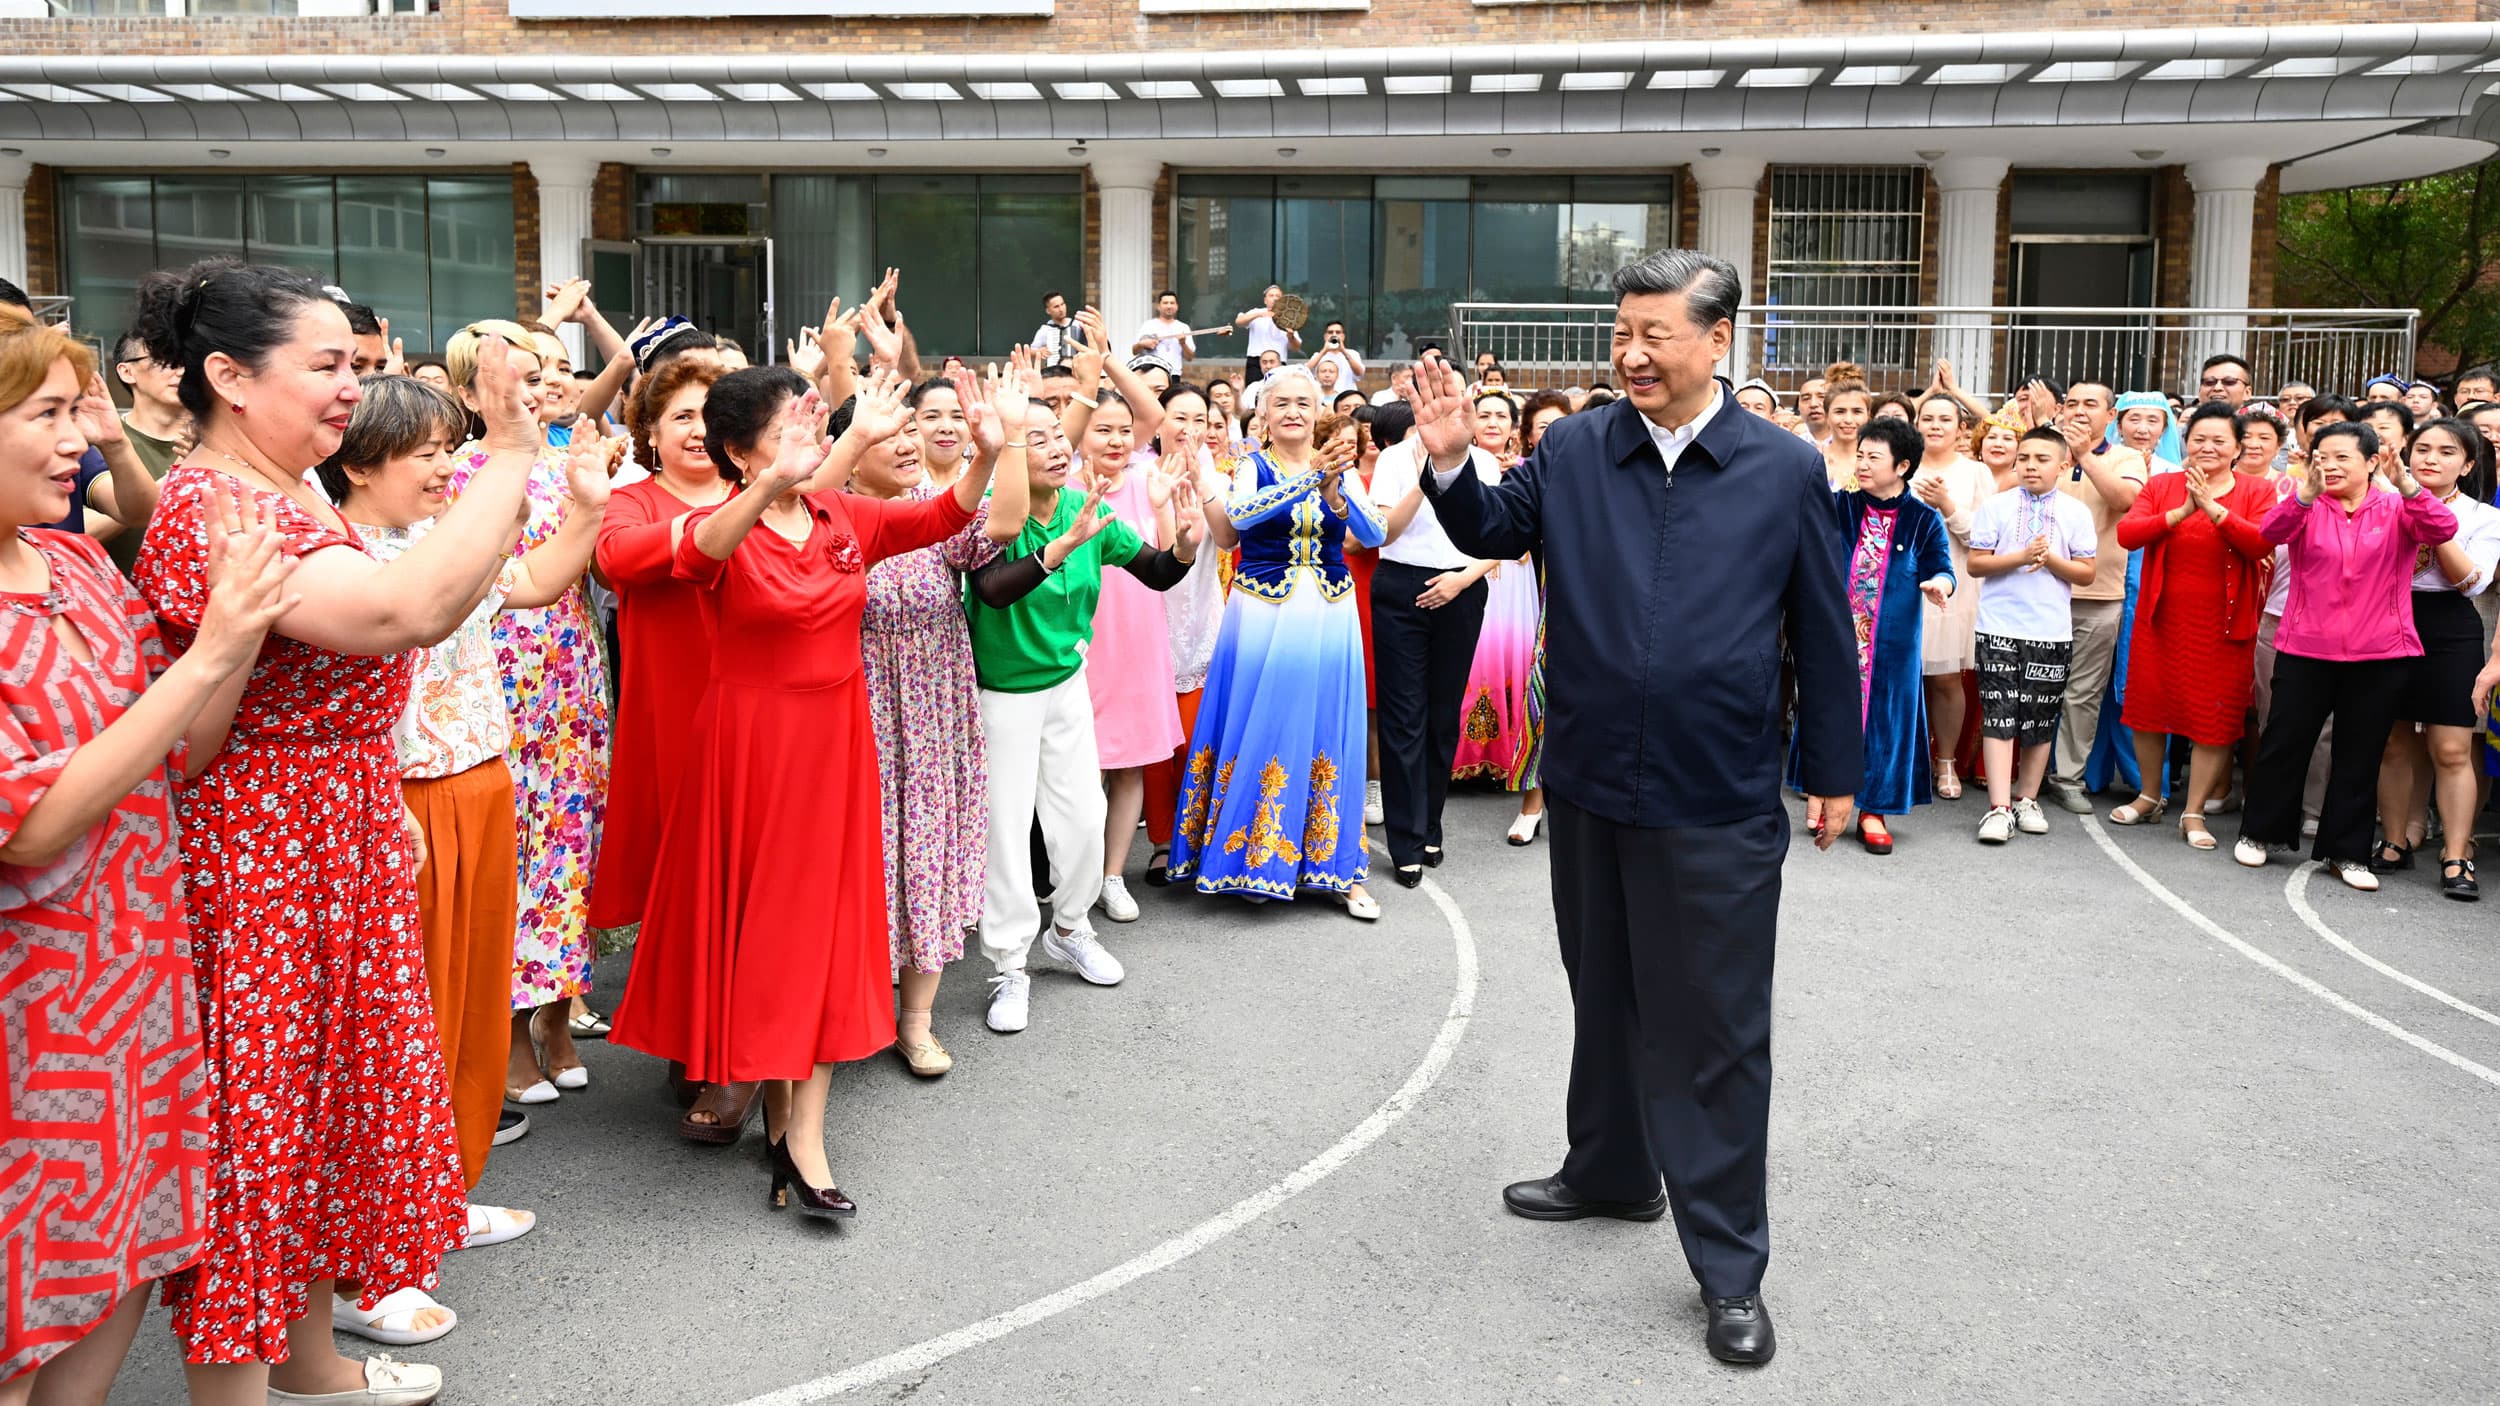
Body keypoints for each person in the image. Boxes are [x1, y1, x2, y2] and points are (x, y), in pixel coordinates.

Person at [1414, 250, 1858, 1368]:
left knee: (1714, 1029)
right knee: (1602, 987)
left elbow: (1821, 627)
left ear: (1717, 342)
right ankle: (1610, 1170)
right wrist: (1453, 457)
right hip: (1591, 781)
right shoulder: (1574, 447)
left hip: (1717, 795)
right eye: (1624, 330)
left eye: (1656, 333)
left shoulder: (1782, 468)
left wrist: (1835, 772)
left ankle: (1729, 1265)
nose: (1632, 352)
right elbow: (1484, 530)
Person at [131, 259, 543, 1404]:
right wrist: (508, 455)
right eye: (327, 368)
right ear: (226, 375)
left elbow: (444, 600)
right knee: (261, 1133)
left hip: (337, 829)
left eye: (356, 368)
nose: (351, 395)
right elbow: (403, 610)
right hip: (261, 850)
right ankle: (238, 1390)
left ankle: (308, 1363)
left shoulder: (290, 484)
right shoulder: (217, 503)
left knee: (320, 1114)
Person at [611, 367, 993, 1221]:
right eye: (791, 426)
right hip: (750, 752)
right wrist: (769, 486)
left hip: (838, 748)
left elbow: (943, 515)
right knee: (768, 936)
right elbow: (692, 553)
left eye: (812, 422)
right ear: (741, 453)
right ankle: (773, 1113)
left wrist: (989, 449)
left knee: (824, 937)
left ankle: (802, 1134)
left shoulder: (839, 515)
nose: (811, 435)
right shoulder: (719, 524)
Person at [0, 306, 292, 1403]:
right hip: (29, 1024)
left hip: (137, 993)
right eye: (49, 413)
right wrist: (209, 648)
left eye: (81, 406)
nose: (86, 435)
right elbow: (30, 824)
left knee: (124, 1251)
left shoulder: (76, 562)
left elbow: (185, 748)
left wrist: (237, 630)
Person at [321, 374, 607, 1341]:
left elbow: (529, 584)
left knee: (474, 1010)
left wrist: (588, 511)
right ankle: (372, 1264)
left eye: (453, 448)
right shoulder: (343, 554)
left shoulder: (440, 545)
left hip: (485, 784)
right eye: (429, 453)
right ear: (358, 464)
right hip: (405, 802)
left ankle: (436, 1201)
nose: (450, 468)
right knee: (405, 1031)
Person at [962, 400, 1198, 1037]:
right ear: (1012, 450)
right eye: (1034, 437)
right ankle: (1010, 964)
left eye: (1056, 435)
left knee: (1084, 819)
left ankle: (1070, 928)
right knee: (1008, 832)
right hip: (1002, 694)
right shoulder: (994, 513)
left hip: (1067, 685)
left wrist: (1185, 542)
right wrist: (1061, 549)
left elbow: (1152, 570)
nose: (1056, 447)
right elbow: (991, 589)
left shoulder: (1084, 505)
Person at [442, 321, 612, 1109]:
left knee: (569, 852)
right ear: (472, 388)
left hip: (570, 683)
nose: (539, 385)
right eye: (519, 373)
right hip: (494, 687)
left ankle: (556, 1015)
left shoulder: (567, 464)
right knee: (511, 855)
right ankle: (505, 1036)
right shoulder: (454, 473)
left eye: (549, 371)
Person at [854, 364, 1029, 1075]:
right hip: (856, 703)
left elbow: (1006, 523)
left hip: (933, 704)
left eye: (910, 433)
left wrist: (1009, 439)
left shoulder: (934, 505)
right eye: (894, 432)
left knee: (925, 848)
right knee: (865, 855)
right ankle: (853, 1006)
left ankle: (916, 1021)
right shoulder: (828, 512)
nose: (908, 445)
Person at [1170, 376, 1379, 916]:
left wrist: (1334, 491)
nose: (1292, 412)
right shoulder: (1250, 465)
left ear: (1319, 412)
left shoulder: (1337, 465)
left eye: (1303, 403)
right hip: (1263, 613)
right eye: (1280, 403)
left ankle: (1338, 868)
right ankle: (1247, 858)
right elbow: (1237, 521)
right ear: (1261, 413)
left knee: (1328, 729)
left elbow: (1374, 533)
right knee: (1263, 722)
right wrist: (1312, 477)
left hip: (1331, 616)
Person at [2236, 421, 2457, 889]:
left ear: (2372, 461)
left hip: (2381, 653)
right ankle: (2260, 833)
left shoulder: (2398, 507)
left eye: (2342, 458)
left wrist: (2410, 486)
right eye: (2322, 456)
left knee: (2360, 753)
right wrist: (2303, 497)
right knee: (2285, 742)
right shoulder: (2304, 505)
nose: (2330, 466)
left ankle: (2347, 852)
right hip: (2305, 647)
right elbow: (2267, 534)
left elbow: (2443, 527)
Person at [2107, 403, 2276, 845]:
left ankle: (2194, 811)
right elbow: (2128, 534)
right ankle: (2149, 795)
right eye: (2199, 439)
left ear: (2238, 448)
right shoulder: (2163, 484)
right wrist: (2182, 512)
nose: (2208, 447)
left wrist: (2212, 509)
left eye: (2220, 440)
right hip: (2162, 618)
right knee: (2148, 711)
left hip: (2224, 624)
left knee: (2213, 719)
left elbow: (2259, 543)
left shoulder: (2257, 490)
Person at [1805, 415, 1952, 853]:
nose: (1863, 464)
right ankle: (1823, 793)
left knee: (1888, 721)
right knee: (1833, 712)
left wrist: (1938, 585)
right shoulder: (1840, 506)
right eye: (1861, 455)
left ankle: (1874, 810)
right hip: (1838, 635)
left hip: (1893, 643)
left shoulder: (1924, 519)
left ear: (1902, 466)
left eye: (1874, 457)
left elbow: (1941, 567)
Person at [1368, 399, 1493, 889]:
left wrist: (1461, 581)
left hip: (1461, 588)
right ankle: (1405, 840)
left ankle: (1431, 825)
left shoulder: (1482, 462)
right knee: (1403, 717)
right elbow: (1383, 532)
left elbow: (1498, 540)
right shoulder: (1395, 460)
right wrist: (1425, 478)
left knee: (1443, 715)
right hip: (1401, 587)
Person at [2373, 418, 2500, 898]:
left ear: (2467, 465)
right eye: (2422, 448)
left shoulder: (2484, 517)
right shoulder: (2381, 501)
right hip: (2387, 619)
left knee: (2451, 748)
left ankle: (2456, 854)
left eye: (2447, 452)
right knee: (2393, 742)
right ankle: (2393, 841)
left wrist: (2425, 510)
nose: (2430, 458)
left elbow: (2472, 583)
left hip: (2450, 627)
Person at [1965, 428, 2099, 843]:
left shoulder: (2076, 512)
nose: (2030, 466)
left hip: (2050, 630)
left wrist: (2050, 560)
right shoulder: (1996, 506)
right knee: (2000, 714)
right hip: (1998, 626)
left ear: (2064, 465)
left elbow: (2087, 572)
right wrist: (2020, 557)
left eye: (2042, 459)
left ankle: (2028, 798)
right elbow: (1975, 564)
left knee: (2040, 717)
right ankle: (1999, 807)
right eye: (2023, 458)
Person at [2043, 380, 2148, 815]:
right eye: (2072, 403)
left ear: (2111, 416)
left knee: (2082, 691)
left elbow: (2126, 500)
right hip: (2036, 590)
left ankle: (2066, 777)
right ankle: (2023, 773)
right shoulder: (2044, 449)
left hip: (2098, 593)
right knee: (2033, 685)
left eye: (2091, 404)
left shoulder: (2125, 457)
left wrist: (2084, 454)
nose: (2080, 411)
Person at [1449, 393, 1539, 815]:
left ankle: (1508, 760)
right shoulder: (1460, 470)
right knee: (1473, 659)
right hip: (1467, 574)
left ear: (1514, 427)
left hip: (1515, 581)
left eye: (1501, 416)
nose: (1492, 422)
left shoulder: (1526, 473)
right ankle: (1462, 759)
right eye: (1483, 414)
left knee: (1511, 661)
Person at [1911, 391, 1995, 801]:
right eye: (1927, 418)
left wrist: (1946, 504)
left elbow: (1984, 536)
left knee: (1946, 677)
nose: (1935, 426)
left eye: (1945, 419)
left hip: (1955, 585)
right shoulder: (1901, 464)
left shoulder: (1976, 473)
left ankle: (1946, 762)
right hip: (1903, 583)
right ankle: (1902, 761)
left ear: (1962, 429)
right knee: (1898, 676)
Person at [108, 329, 190, 573]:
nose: (181, 370)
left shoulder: (216, 438)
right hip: (122, 602)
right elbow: (78, 530)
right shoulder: (105, 443)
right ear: (126, 371)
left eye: (186, 361)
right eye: (164, 360)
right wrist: (171, 481)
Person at [1235, 284, 1301, 383]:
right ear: (1265, 300)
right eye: (1271, 295)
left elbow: (1296, 347)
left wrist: (1291, 337)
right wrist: (1259, 315)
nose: (1274, 298)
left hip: (1278, 362)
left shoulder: (1288, 319)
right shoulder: (1256, 312)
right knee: (1254, 392)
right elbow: (1239, 322)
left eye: (1277, 296)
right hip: (1256, 361)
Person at [1818, 378, 1870, 489]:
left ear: (1868, 416)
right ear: (1827, 416)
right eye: (1840, 411)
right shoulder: (1813, 458)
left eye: (1857, 411)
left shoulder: (1880, 462)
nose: (1848, 420)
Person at [1132, 290, 1197, 368]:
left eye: (1172, 303)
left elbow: (1189, 358)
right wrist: (1142, 344)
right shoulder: (1148, 325)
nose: (1169, 306)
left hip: (1174, 374)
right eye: (1165, 303)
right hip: (1151, 373)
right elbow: (1134, 351)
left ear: (1177, 306)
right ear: (1158, 307)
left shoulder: (1183, 327)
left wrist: (1183, 343)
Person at [1031, 290, 1088, 368]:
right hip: (1054, 371)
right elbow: (1031, 351)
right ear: (1048, 310)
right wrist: (1039, 351)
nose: (1061, 309)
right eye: (1056, 306)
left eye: (1062, 304)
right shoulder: (1045, 330)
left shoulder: (1078, 325)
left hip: (1077, 370)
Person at [1312, 318, 1364, 388]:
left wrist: (1343, 351)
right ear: (1325, 336)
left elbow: (1360, 373)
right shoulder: (1318, 355)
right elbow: (1306, 372)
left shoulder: (1353, 354)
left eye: (1338, 332)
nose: (1334, 335)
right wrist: (1323, 351)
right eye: (1330, 332)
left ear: (1343, 336)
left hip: (1347, 396)